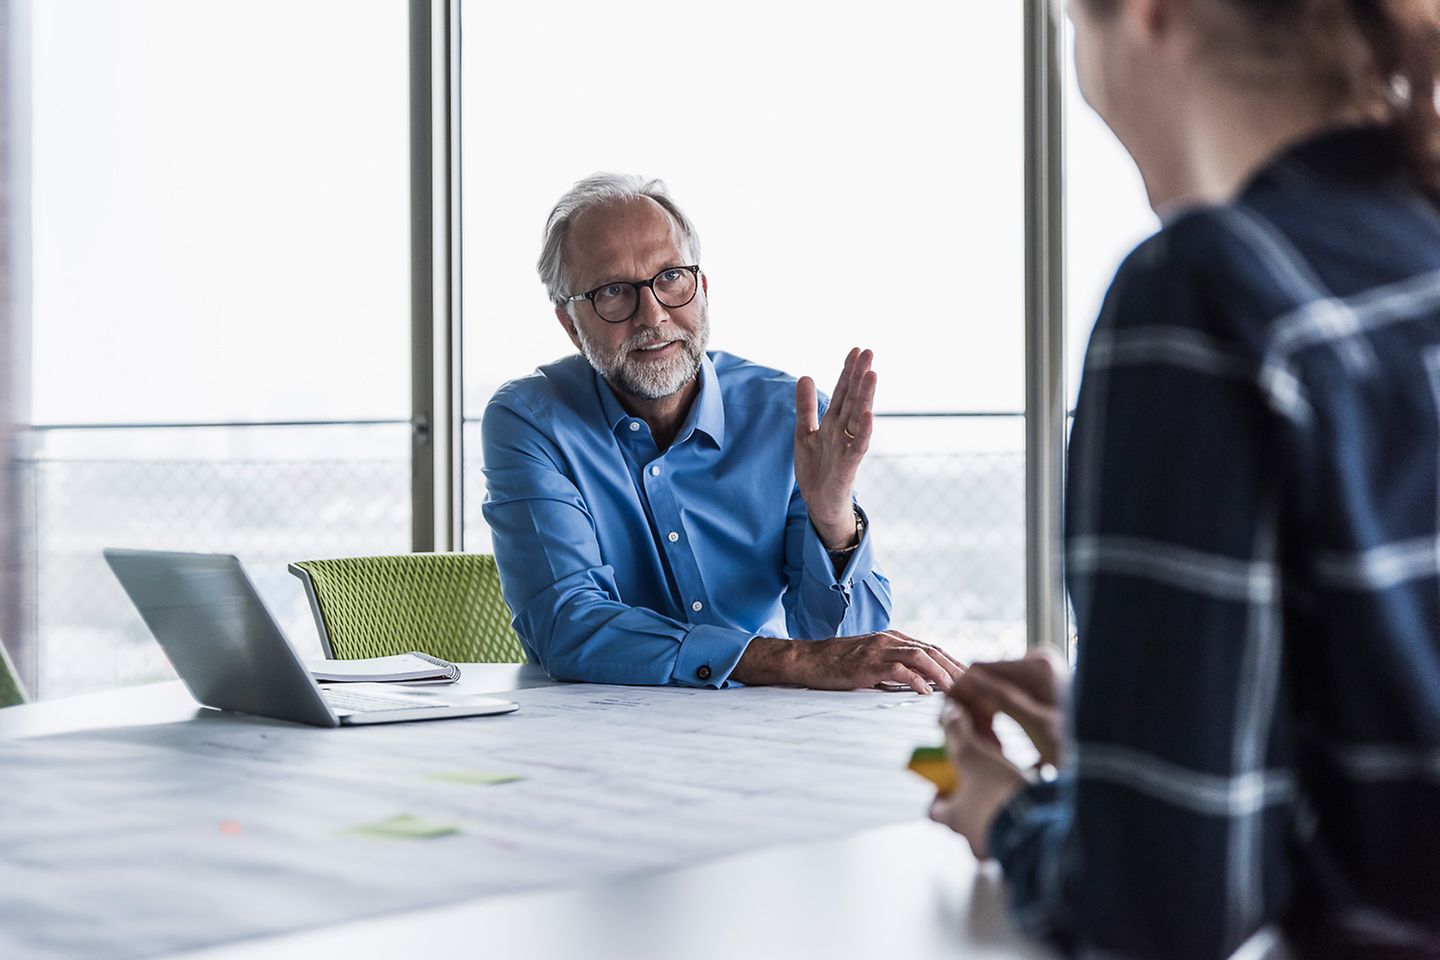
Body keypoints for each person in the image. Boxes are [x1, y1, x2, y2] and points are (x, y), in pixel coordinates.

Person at [929, 0, 1440, 956]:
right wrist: (1129, 738)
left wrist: (1006, 812)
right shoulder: (1411, 250)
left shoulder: (1204, 292)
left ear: (1149, 16)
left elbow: (1162, 907)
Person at [482, 173, 962, 693]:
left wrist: (833, 520)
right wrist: (785, 663)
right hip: (595, 738)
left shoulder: (791, 418)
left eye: (670, 278)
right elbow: (567, 625)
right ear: (571, 325)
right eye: (614, 292)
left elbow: (847, 644)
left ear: (702, 289)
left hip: (772, 732)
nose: (654, 314)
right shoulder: (531, 421)